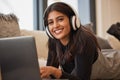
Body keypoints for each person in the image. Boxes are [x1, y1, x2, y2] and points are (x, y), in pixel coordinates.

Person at [40, 2, 101, 80]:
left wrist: (55, 72)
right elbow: (51, 73)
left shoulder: (84, 40)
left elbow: (82, 78)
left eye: (60, 19)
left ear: (73, 20)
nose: (55, 26)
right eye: (51, 22)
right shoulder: (54, 41)